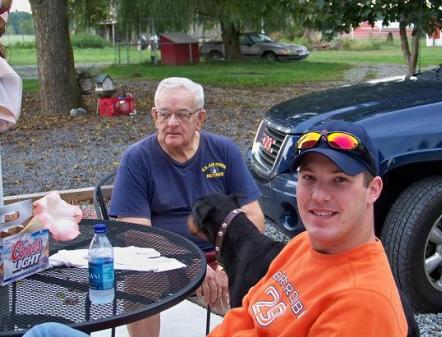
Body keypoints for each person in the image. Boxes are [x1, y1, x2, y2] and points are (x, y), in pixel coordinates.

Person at [207, 119, 408, 336]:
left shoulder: (363, 306)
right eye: (309, 177)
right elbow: (247, 312)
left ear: (373, 189)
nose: (319, 195)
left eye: (339, 180)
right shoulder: (303, 243)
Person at [109, 77, 265, 337]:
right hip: (164, 259)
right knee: (137, 280)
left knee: (273, 277)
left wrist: (230, 265)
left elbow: (253, 215)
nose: (171, 123)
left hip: (224, 255)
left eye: (182, 115)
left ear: (200, 118)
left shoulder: (223, 151)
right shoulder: (137, 159)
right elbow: (134, 232)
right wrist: (193, 266)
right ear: (153, 116)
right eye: (164, 114)